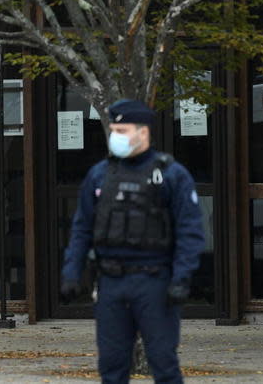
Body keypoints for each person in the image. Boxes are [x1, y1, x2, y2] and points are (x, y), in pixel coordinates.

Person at [59, 99, 205, 384]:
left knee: (163, 363)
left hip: (155, 282)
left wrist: (181, 278)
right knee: (112, 366)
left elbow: (190, 231)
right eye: (113, 130)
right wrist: (71, 272)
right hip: (111, 282)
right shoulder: (100, 174)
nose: (116, 136)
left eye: (122, 130)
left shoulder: (171, 174)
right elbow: (82, 228)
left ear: (143, 132)